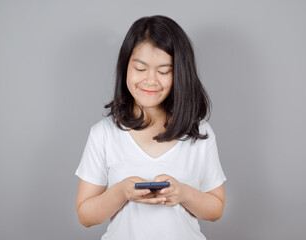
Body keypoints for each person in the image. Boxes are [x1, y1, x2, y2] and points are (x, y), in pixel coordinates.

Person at [75, 15, 227, 240]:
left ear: (180, 74)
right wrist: (121, 192)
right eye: (140, 68)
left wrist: (183, 193)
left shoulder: (199, 133)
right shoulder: (104, 133)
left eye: (164, 71)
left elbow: (216, 209)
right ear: (125, 67)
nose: (150, 80)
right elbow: (85, 215)